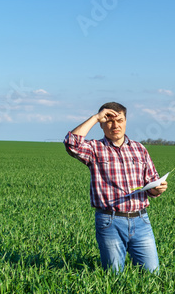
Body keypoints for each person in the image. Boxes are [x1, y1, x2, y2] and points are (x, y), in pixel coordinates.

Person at [63, 102, 167, 272]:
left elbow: (151, 183)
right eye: (109, 121)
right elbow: (71, 143)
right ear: (102, 125)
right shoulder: (95, 149)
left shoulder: (139, 149)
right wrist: (95, 117)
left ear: (125, 121)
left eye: (119, 120)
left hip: (141, 220)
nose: (115, 125)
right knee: (114, 275)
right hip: (110, 220)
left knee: (152, 274)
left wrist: (158, 189)